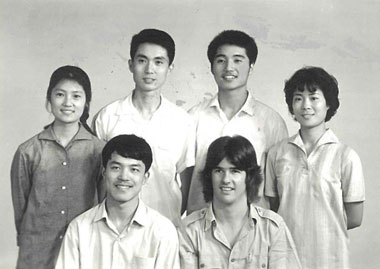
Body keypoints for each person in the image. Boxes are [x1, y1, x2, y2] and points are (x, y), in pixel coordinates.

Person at [265, 66, 365, 268]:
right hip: (284, 257)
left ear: (329, 104)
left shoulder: (345, 156)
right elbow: (274, 209)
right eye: (298, 98)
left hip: (330, 258)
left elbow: (355, 218)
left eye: (313, 97)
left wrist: (319, 229)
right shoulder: (277, 153)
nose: (305, 105)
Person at [92, 29, 194, 224]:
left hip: (165, 229)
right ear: (131, 65)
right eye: (142, 60)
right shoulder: (107, 117)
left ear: (170, 67)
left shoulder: (182, 122)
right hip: (114, 229)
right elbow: (98, 181)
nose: (149, 69)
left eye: (158, 62)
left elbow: (187, 185)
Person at [10, 65, 105, 269]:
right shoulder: (28, 151)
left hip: (85, 250)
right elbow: (21, 209)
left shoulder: (99, 151)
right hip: (37, 253)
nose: (68, 103)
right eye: (60, 94)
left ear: (86, 103)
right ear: (48, 101)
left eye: (76, 96)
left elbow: (105, 204)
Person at [186, 30, 288, 214]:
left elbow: (278, 189)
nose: (228, 67)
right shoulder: (193, 118)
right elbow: (184, 183)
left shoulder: (271, 122)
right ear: (211, 67)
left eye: (238, 60)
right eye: (221, 60)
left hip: (254, 229)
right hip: (200, 230)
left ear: (251, 66)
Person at [55, 134, 180, 269]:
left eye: (134, 169)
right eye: (116, 168)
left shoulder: (162, 231)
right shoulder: (79, 228)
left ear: (145, 177)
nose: (124, 177)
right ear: (104, 172)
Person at [179, 135, 301, 268]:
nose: (226, 179)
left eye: (235, 171)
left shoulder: (272, 228)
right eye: (218, 171)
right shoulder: (190, 230)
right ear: (209, 176)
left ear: (249, 177)